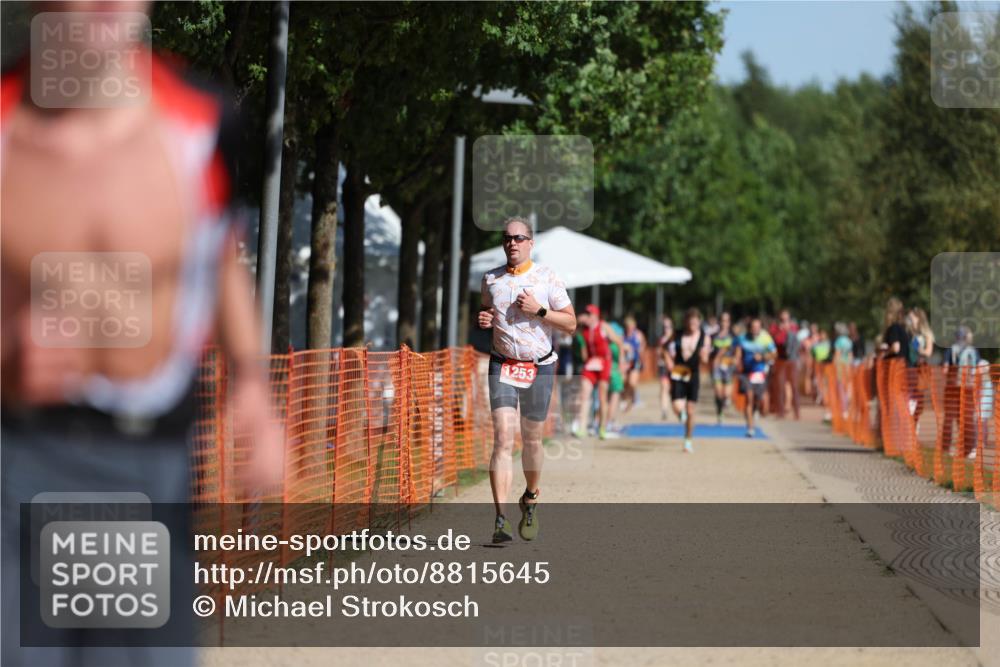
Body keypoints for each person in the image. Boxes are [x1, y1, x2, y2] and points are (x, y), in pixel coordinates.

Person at [1, 9, 282, 665]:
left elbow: (217, 255)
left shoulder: (201, 121)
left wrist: (250, 388)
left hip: (141, 464)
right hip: (18, 458)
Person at [478, 217, 576, 543]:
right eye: (507, 238)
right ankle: (500, 519)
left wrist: (540, 310)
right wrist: (485, 318)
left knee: (531, 439)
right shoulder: (491, 279)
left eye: (519, 238)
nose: (512, 244)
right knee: (503, 438)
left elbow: (571, 324)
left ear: (531, 243)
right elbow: (486, 312)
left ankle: (531, 498)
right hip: (502, 364)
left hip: (540, 366)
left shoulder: (546, 277)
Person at [574, 305, 623, 440]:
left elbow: (619, 342)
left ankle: (602, 427)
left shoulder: (603, 326)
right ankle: (582, 428)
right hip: (590, 364)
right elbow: (570, 329)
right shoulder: (583, 329)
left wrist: (621, 362)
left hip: (604, 362)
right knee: (585, 395)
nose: (587, 317)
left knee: (602, 397)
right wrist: (579, 322)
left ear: (596, 316)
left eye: (589, 315)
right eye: (586, 315)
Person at [666, 308, 711, 453]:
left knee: (691, 410)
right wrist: (668, 361)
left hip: (694, 373)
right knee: (676, 405)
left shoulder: (705, 337)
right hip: (679, 371)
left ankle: (688, 441)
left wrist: (704, 356)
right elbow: (663, 348)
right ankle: (681, 415)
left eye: (695, 323)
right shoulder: (678, 334)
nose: (693, 325)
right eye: (690, 322)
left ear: (699, 323)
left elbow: (705, 360)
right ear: (686, 322)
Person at [736, 317, 777, 438]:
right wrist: (737, 361)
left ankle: (756, 410)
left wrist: (763, 356)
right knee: (749, 398)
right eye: (753, 327)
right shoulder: (742, 338)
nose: (755, 330)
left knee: (759, 400)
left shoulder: (766, 338)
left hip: (760, 372)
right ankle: (750, 428)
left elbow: (774, 354)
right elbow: (738, 352)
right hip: (746, 373)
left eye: (757, 327)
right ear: (749, 328)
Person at [710, 311, 738, 425]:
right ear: (719, 321)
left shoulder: (733, 336)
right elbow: (709, 351)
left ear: (729, 322)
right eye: (722, 320)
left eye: (727, 320)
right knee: (718, 393)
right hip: (717, 366)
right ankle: (719, 413)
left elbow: (738, 350)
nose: (724, 323)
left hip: (729, 366)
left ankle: (726, 401)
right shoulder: (713, 336)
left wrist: (736, 358)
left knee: (726, 394)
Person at [605, 321, 627, 435]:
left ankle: (605, 423)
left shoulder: (606, 343)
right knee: (614, 397)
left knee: (605, 399)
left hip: (606, 371)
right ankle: (609, 424)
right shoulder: (616, 345)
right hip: (614, 372)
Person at [621, 315, 646, 414]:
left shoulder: (638, 335)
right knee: (624, 381)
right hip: (626, 362)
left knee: (632, 382)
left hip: (635, 362)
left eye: (631, 326)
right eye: (628, 326)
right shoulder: (623, 336)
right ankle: (626, 398)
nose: (629, 328)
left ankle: (634, 399)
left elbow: (643, 346)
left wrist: (641, 359)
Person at [657, 315, 675, 420]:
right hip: (664, 367)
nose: (666, 329)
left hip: (676, 368)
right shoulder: (661, 340)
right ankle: (664, 410)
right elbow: (658, 353)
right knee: (664, 387)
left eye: (668, 326)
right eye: (664, 327)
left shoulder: (676, 338)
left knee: (674, 389)